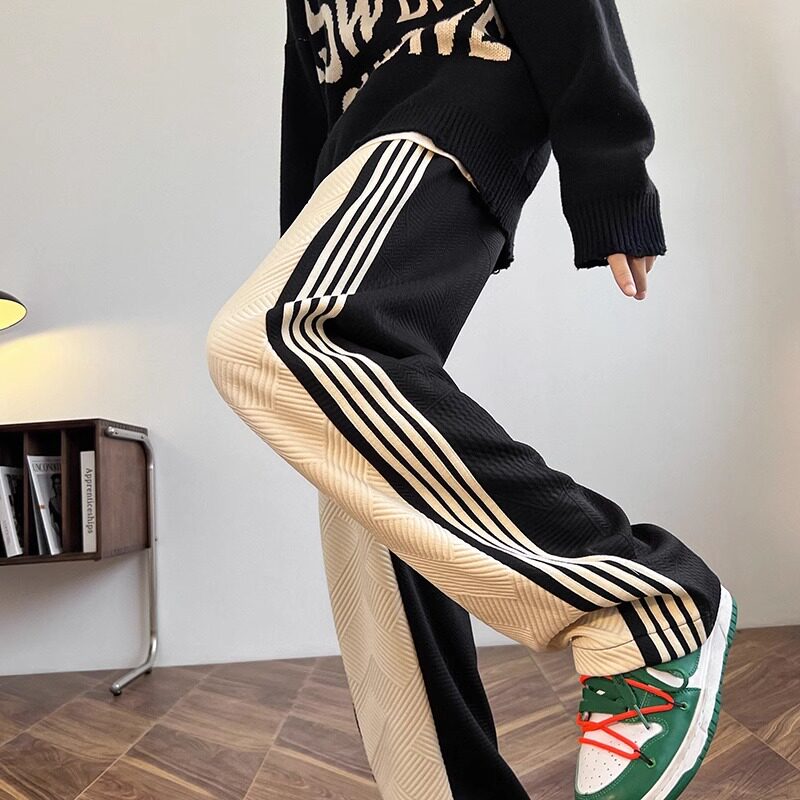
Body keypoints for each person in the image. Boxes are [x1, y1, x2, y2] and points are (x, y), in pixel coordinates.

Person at [206, 2, 737, 798]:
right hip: (357, 149)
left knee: (282, 335)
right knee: (362, 479)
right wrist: (300, 240)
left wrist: (611, 167)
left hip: (459, 96)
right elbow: (310, 90)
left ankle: (642, 608)